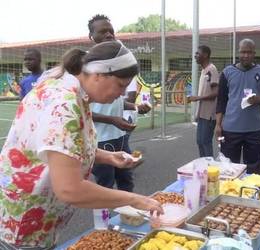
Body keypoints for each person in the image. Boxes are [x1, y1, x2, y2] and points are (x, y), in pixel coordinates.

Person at [0, 41, 162, 249]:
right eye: (121, 85)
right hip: (23, 225)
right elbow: (70, 189)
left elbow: (59, 147)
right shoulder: (65, 105)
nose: (122, 94)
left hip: (36, 218)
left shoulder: (68, 89)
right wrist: (135, 200)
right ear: (98, 75)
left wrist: (106, 156)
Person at [88, 14, 150, 192]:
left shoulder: (117, 64)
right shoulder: (86, 69)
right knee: (105, 185)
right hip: (99, 140)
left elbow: (116, 101)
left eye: (111, 31)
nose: (109, 35)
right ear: (91, 37)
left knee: (126, 181)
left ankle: (127, 218)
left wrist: (136, 107)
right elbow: (79, 112)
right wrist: (112, 119)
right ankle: (105, 220)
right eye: (102, 32)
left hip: (120, 137)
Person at [216, 38, 260, 174]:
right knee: (229, 169)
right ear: (239, 52)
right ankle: (230, 195)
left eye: (249, 52)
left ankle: (251, 194)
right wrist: (218, 125)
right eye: (243, 52)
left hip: (255, 130)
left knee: (254, 170)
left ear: (254, 53)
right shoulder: (227, 73)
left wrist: (258, 99)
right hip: (231, 129)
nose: (246, 55)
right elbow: (221, 101)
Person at [188, 45, 219, 157]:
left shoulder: (211, 69)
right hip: (202, 114)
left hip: (209, 115)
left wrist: (197, 98)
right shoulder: (204, 71)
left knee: (205, 142)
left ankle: (210, 169)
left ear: (205, 55)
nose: (195, 56)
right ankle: (203, 166)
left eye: (197, 53)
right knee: (200, 142)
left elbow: (216, 93)